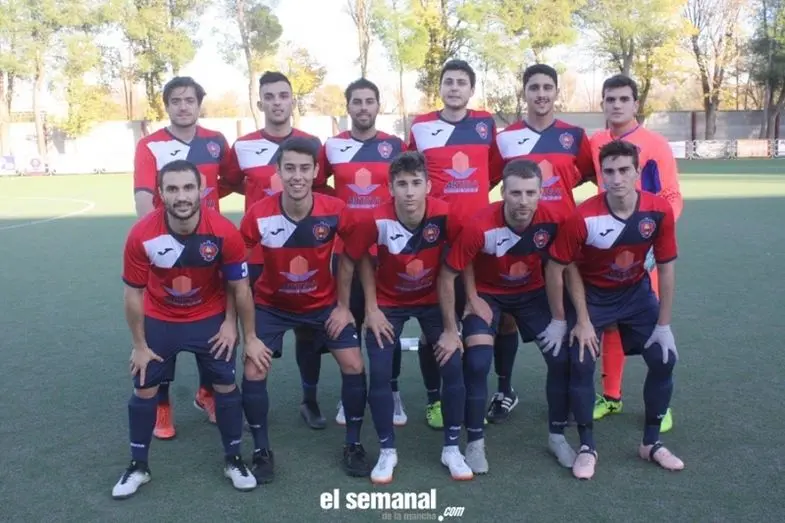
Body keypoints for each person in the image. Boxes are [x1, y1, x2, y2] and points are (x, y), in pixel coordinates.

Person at [113, 160, 259, 499]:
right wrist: (139, 345)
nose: (181, 196)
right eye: (173, 189)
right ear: (160, 194)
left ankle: (234, 460)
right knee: (144, 390)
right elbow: (132, 295)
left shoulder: (223, 231)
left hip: (208, 317)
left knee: (225, 386)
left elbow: (239, 287)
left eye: (188, 187)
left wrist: (236, 328)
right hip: (161, 319)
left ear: (202, 190)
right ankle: (138, 466)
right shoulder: (141, 235)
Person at [547, 140, 685, 478]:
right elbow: (559, 267)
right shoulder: (583, 216)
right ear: (601, 176)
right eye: (609, 171)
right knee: (581, 362)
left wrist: (664, 325)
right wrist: (574, 320)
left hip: (636, 295)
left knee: (664, 358)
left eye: (624, 170)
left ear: (637, 172)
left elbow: (666, 267)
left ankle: (651, 443)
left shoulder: (658, 210)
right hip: (592, 297)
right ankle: (586, 447)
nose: (617, 178)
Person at [238, 137, 370, 483]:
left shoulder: (335, 209)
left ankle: (353, 444)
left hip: (323, 304)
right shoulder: (258, 214)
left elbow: (356, 252)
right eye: (290, 168)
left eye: (304, 168)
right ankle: (261, 450)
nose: (297, 176)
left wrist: (344, 306)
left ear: (315, 171)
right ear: (278, 172)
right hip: (271, 306)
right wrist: (247, 334)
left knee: (354, 363)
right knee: (253, 369)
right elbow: (234, 269)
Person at [436, 159, 577, 475]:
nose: (523, 201)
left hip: (532, 295)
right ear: (502, 192)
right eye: (515, 193)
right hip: (488, 295)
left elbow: (567, 268)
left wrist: (562, 318)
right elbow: (449, 273)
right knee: (477, 362)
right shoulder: (480, 224)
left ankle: (557, 437)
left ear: (541, 193)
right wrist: (471, 299)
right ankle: (475, 442)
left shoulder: (555, 220)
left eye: (530, 193)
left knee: (560, 358)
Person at [338, 151, 472, 484]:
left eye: (416, 183)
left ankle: (452, 448)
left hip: (433, 300)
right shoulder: (374, 219)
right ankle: (387, 451)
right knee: (380, 372)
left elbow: (465, 254)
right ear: (390, 188)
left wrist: (465, 309)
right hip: (389, 303)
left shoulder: (447, 215)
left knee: (453, 365)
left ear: (428, 186)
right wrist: (361, 308)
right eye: (402, 184)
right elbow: (349, 260)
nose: (409, 192)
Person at [490, 64, 595, 423]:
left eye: (547, 87)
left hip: (562, 241)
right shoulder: (506, 138)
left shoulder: (574, 136)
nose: (541, 94)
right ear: (525, 92)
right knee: (506, 318)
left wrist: (559, 199)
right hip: (516, 239)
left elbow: (590, 175)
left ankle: (570, 390)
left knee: (566, 313)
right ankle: (505, 390)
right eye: (534, 87)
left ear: (556, 92)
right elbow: (490, 179)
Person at [223, 71, 327, 430]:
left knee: (307, 332)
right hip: (257, 257)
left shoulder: (312, 143)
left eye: (283, 95)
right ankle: (250, 402)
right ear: (260, 103)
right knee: (251, 330)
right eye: (269, 96)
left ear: (292, 100)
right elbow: (232, 182)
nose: (277, 102)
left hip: (301, 251)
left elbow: (319, 186)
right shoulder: (243, 146)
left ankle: (309, 400)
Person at [132, 76, 235, 439]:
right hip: (166, 248)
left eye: (189, 100)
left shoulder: (216, 141)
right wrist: (155, 241)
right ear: (167, 106)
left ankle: (207, 392)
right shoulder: (150, 145)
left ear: (199, 104)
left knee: (214, 322)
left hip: (209, 248)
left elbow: (232, 181)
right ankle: (162, 405)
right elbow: (143, 196)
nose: (183, 106)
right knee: (163, 323)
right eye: (175, 101)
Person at [407, 59, 502, 430]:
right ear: (441, 87)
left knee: (477, 314)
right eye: (448, 81)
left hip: (477, 239)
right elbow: (411, 170)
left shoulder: (485, 124)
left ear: (471, 89)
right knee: (434, 322)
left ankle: (481, 392)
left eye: (462, 82)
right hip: (434, 237)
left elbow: (493, 171)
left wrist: (471, 201)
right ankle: (435, 399)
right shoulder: (421, 125)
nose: (454, 88)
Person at [589, 74, 684, 432]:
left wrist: (655, 237)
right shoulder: (596, 142)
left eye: (623, 99)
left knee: (651, 322)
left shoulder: (655, 144)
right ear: (602, 103)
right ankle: (611, 396)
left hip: (645, 249)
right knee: (610, 322)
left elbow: (672, 195)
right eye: (610, 99)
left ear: (635, 103)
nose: (616, 105)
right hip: (607, 250)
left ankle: (661, 404)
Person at [314, 78, 407, 428]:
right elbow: (317, 185)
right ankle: (350, 390)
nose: (363, 107)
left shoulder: (394, 145)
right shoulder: (333, 146)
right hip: (346, 249)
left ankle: (392, 390)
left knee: (387, 322)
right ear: (348, 106)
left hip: (386, 247)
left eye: (369, 101)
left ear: (378, 106)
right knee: (348, 320)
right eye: (357, 101)